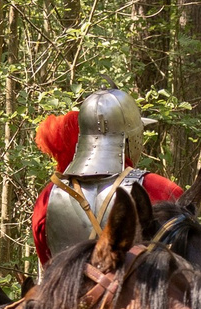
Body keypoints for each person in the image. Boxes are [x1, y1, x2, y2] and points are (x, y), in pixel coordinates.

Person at [31, 88, 186, 266]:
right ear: (130, 139)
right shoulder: (162, 189)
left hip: (66, 292)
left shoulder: (48, 196)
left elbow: (47, 262)